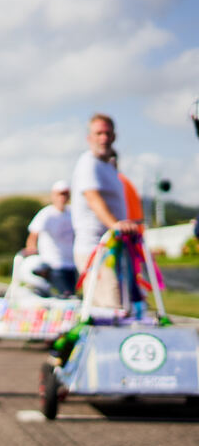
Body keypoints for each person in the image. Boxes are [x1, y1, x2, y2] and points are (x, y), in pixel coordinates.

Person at [70, 114, 138, 308]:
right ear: (89, 138)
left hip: (113, 247)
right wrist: (114, 225)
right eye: (99, 133)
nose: (104, 138)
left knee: (121, 305)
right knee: (112, 305)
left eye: (107, 133)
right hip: (95, 248)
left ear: (114, 136)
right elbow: (92, 197)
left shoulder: (108, 167)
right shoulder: (88, 162)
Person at [25, 180, 76, 297]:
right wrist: (31, 248)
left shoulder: (72, 212)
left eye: (66, 194)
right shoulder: (46, 214)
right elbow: (33, 234)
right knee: (65, 295)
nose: (63, 197)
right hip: (54, 263)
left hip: (71, 263)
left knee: (71, 295)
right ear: (53, 195)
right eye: (60, 194)